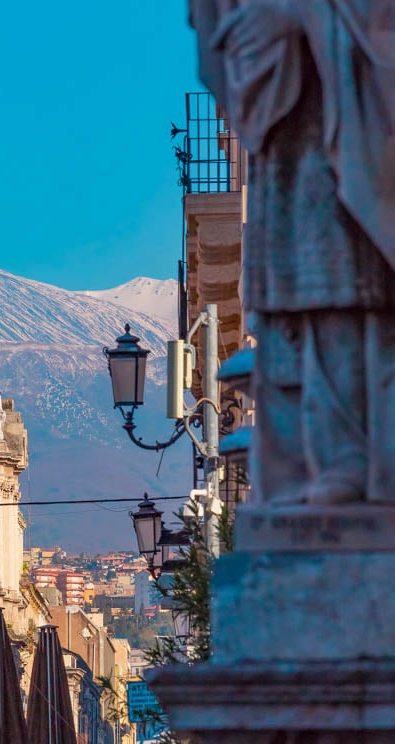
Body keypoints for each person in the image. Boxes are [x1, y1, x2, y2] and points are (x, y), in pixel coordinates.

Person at [190, 0, 395, 504]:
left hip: (350, 126)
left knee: (350, 285)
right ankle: (340, 456)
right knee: (319, 290)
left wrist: (295, 16)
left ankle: (359, 458)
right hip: (295, 136)